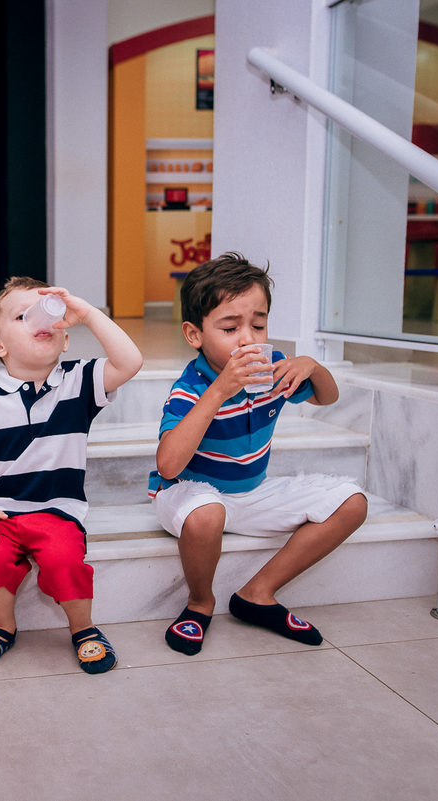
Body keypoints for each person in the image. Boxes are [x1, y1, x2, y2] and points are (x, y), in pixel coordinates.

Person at [150, 253, 368, 655]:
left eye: (258, 324)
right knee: (207, 512)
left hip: (251, 493)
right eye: (230, 328)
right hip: (187, 494)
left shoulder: (272, 370)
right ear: (194, 334)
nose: (248, 339)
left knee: (351, 503)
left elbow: (327, 397)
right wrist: (220, 391)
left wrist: (312, 366)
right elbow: (168, 464)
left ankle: (257, 593)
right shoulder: (191, 388)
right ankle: (200, 602)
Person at [0, 277, 143, 673]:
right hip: (1, 513)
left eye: (45, 314)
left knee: (65, 561)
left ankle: (83, 627)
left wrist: (88, 314)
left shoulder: (78, 382)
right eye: (23, 316)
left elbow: (130, 362)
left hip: (57, 512)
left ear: (65, 339)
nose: (40, 320)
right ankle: (2, 626)